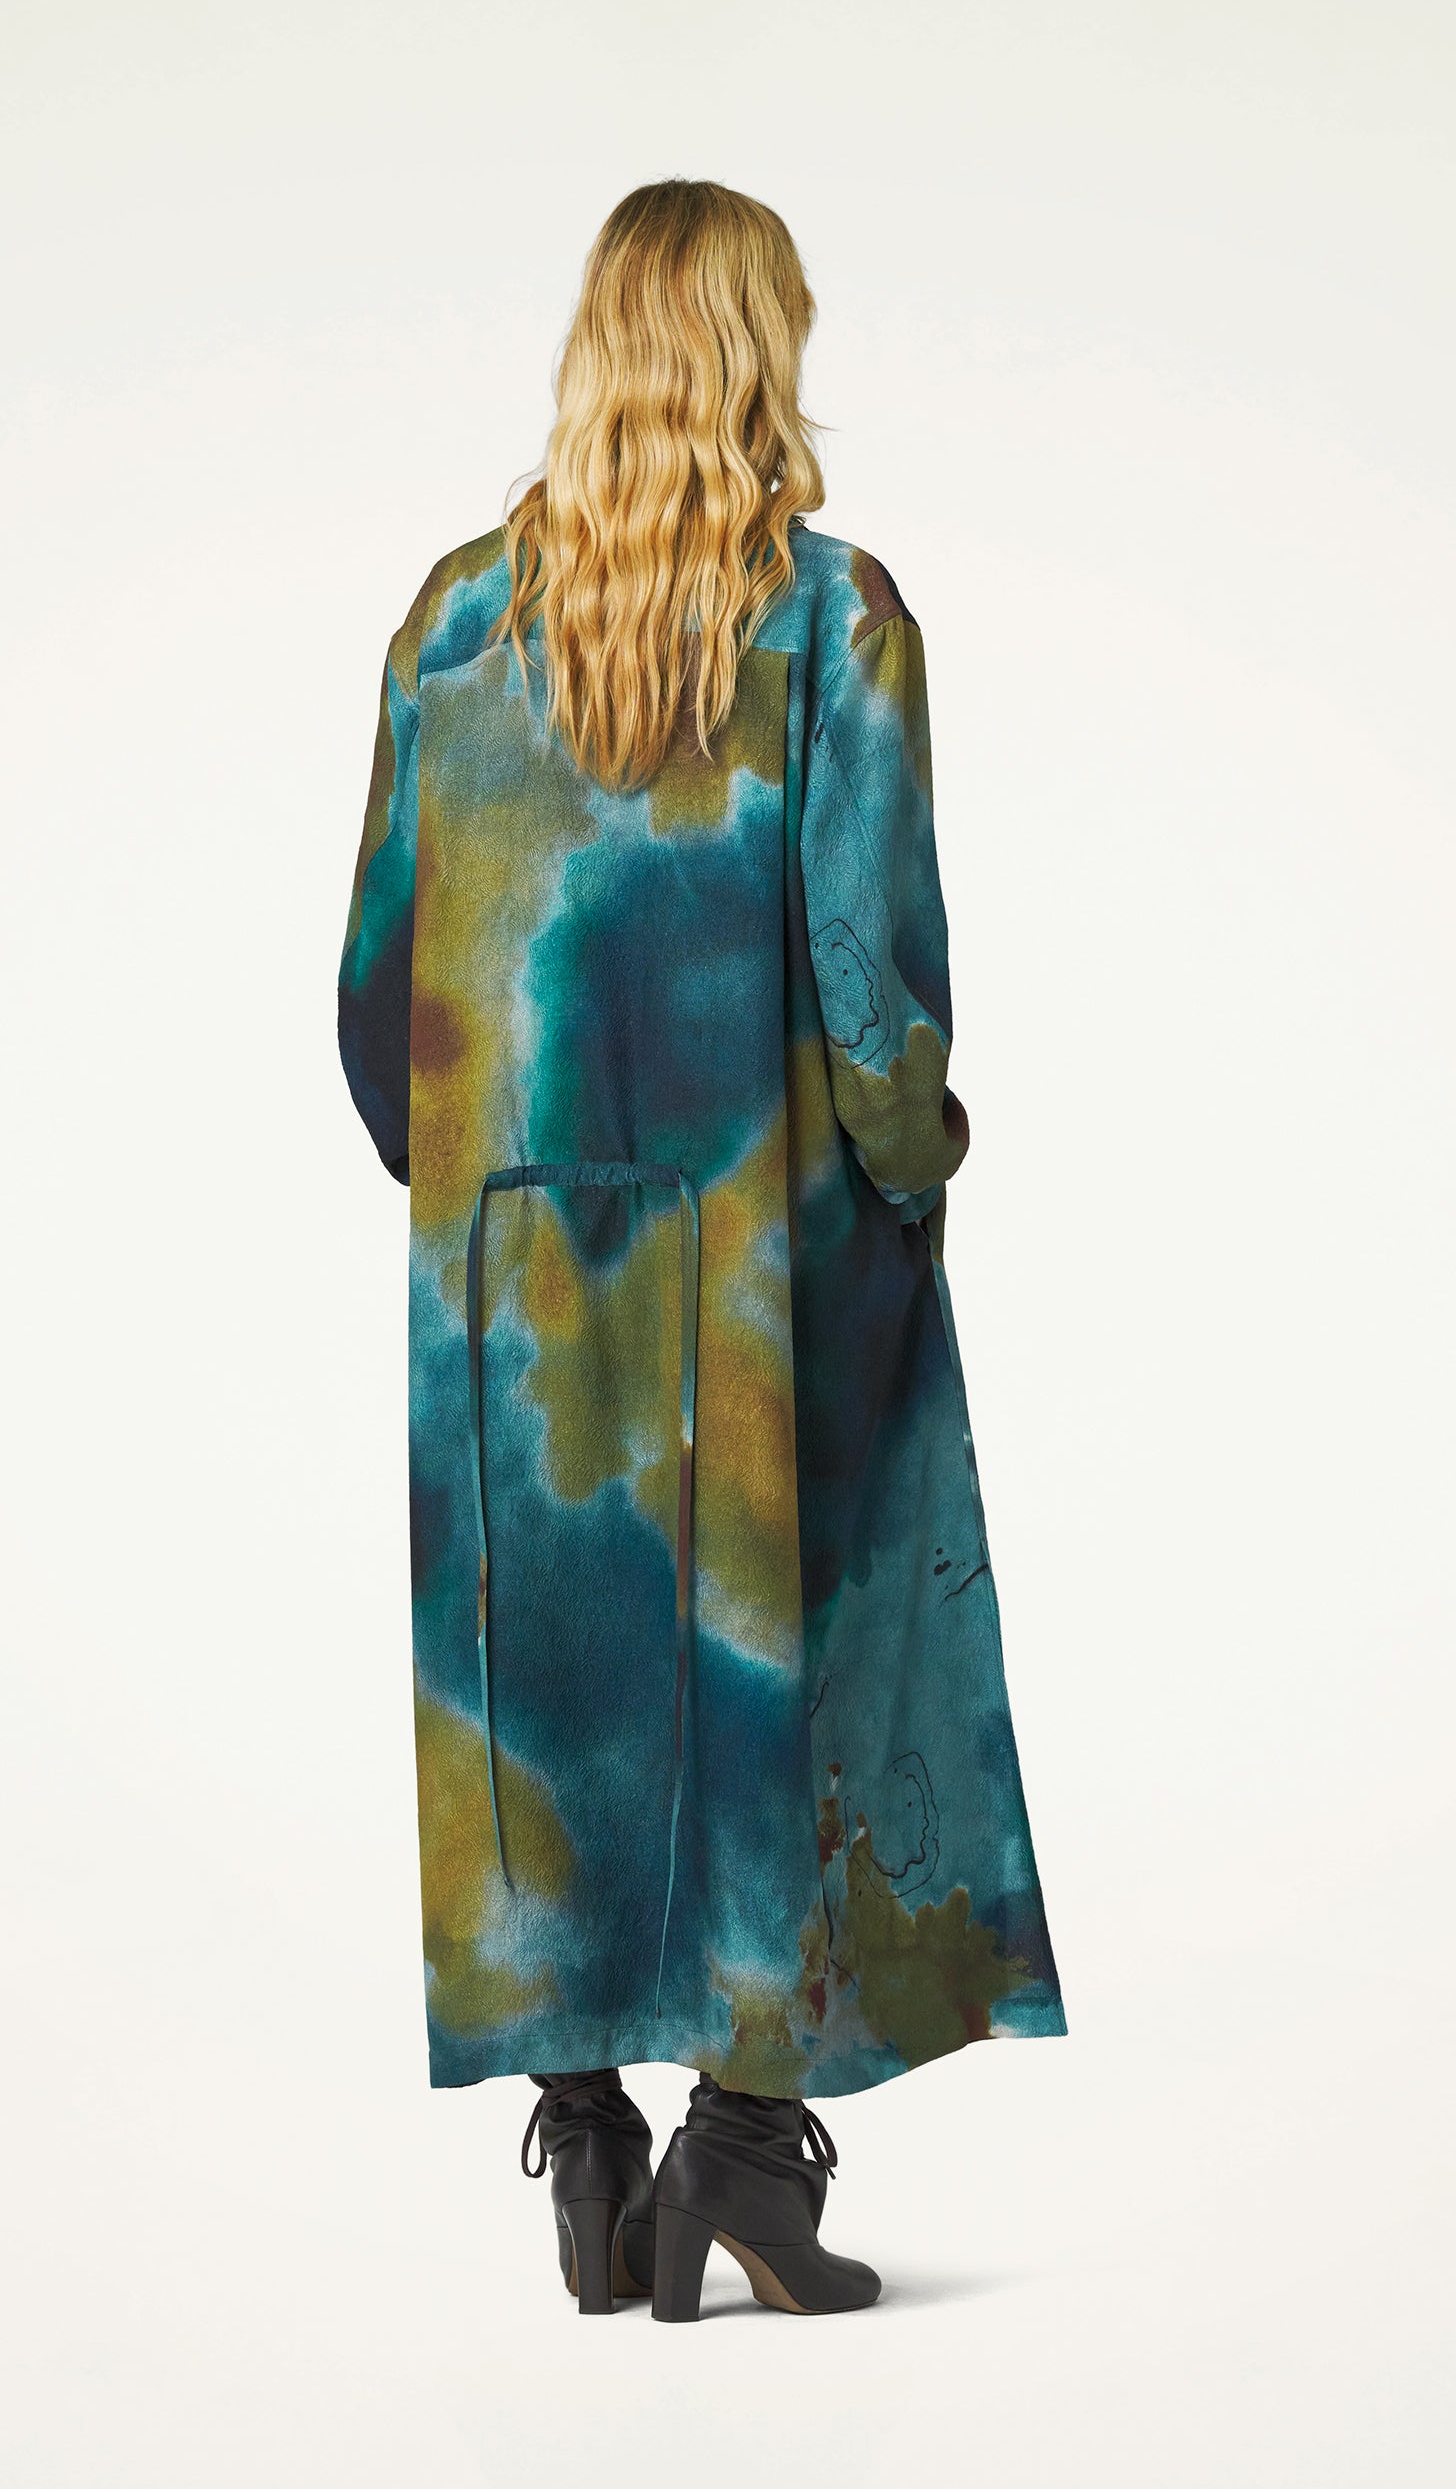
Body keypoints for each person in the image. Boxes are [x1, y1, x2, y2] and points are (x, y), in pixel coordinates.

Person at [337, 178, 1064, 2321]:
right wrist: (911, 1171)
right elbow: (873, 989)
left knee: (545, 1691)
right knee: (782, 1658)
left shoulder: (454, 623)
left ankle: (587, 2139)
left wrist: (478, 1186)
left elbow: (381, 1009)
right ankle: (742, 2145)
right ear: (760, 351)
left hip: (511, 1277)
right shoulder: (833, 625)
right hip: (756, 1264)